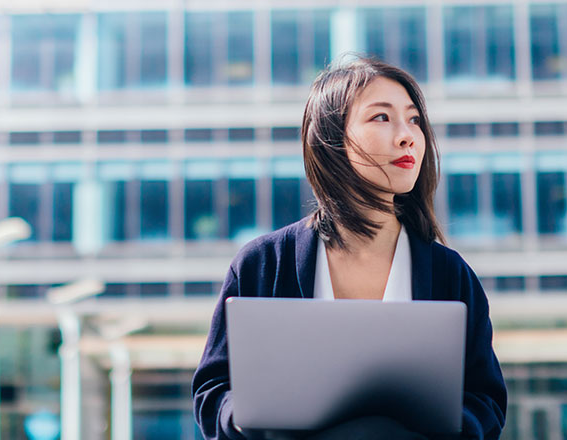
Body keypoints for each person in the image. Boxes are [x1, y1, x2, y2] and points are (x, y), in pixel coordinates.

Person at [192, 56, 507, 440]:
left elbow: (486, 399)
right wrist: (251, 416)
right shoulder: (262, 264)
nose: (407, 135)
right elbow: (212, 393)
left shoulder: (450, 273)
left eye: (414, 119)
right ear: (332, 138)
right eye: (381, 117)